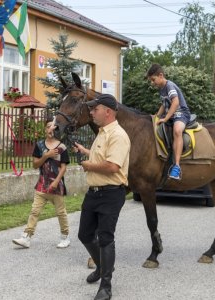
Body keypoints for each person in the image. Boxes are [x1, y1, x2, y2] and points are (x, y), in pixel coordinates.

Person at [73, 94, 130, 300]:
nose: (91, 112)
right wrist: (85, 151)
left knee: (105, 238)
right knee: (85, 234)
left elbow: (113, 166)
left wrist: (88, 165)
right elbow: (102, 158)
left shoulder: (118, 135)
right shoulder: (102, 133)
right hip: (94, 193)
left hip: (111, 194)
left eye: (94, 109)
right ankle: (100, 266)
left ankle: (106, 285)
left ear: (107, 111)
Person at [12, 119, 71, 249]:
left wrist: (56, 182)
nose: (51, 129)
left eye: (53, 126)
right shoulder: (39, 145)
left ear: (56, 130)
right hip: (42, 184)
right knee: (34, 211)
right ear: (45, 130)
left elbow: (63, 168)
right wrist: (46, 155)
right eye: (48, 126)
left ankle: (65, 237)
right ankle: (26, 237)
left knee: (61, 213)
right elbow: (35, 165)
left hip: (56, 186)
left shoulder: (62, 147)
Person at [146, 63, 191, 180]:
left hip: (181, 113)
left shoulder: (169, 86)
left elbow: (175, 103)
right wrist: (157, 116)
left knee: (177, 130)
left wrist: (165, 118)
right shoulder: (161, 89)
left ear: (160, 75)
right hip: (170, 115)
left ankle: (176, 166)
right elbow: (164, 104)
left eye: (153, 79)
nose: (152, 83)